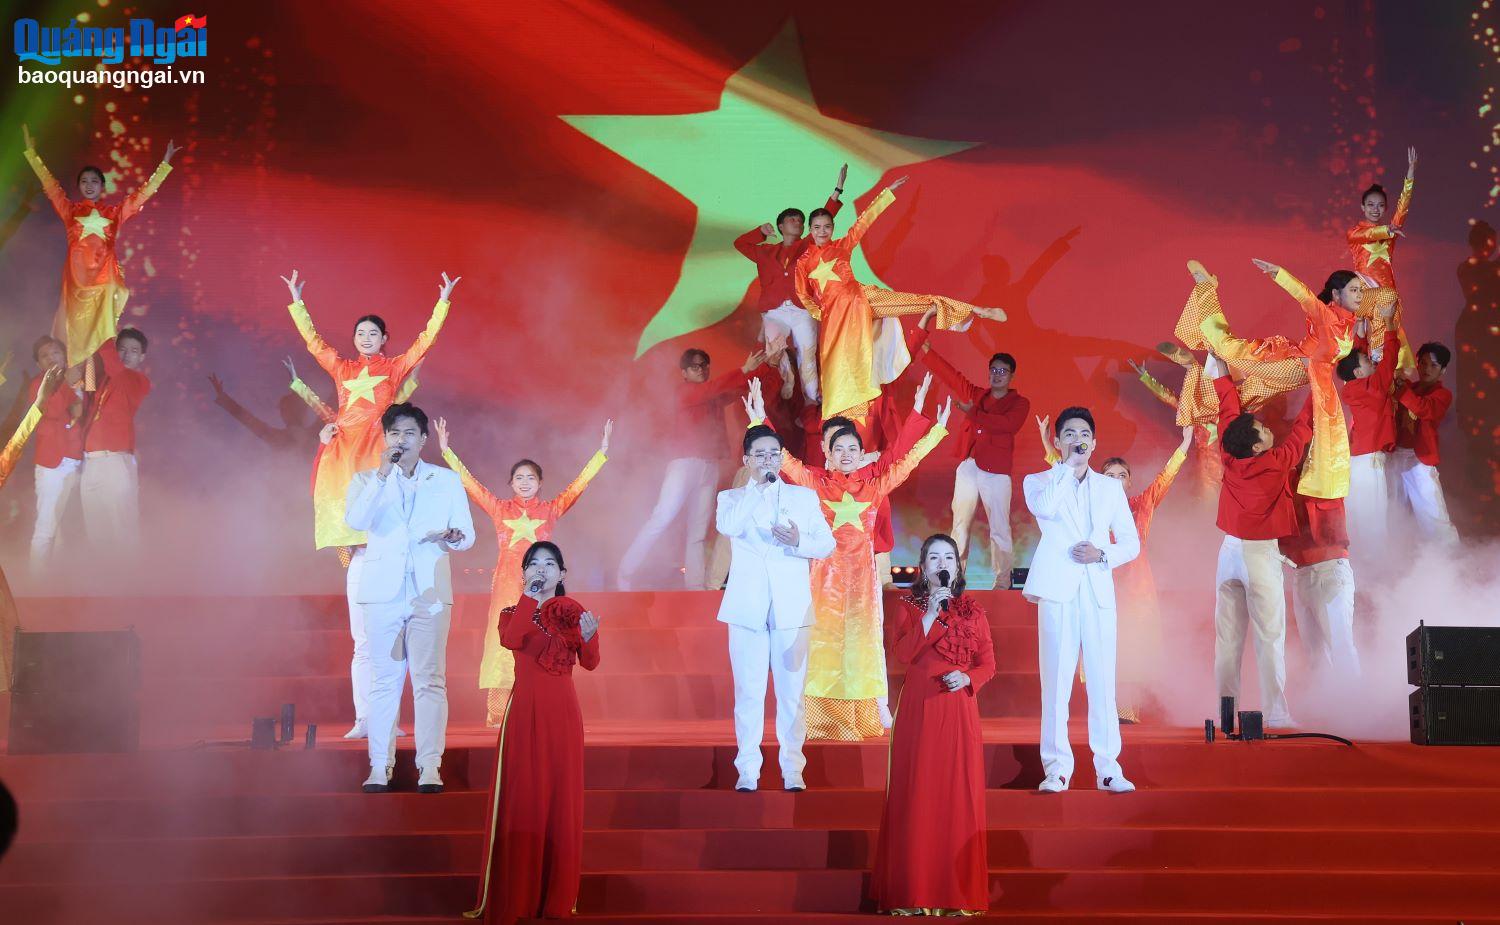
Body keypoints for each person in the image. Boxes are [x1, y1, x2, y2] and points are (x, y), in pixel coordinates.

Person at [754, 382, 953, 740]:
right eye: (838, 448)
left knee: (862, 645)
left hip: (862, 584)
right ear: (827, 455)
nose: (845, 453)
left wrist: (936, 430)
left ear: (862, 455)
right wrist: (758, 419)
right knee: (823, 643)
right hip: (823, 580)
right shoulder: (815, 483)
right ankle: (819, 719)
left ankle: (862, 717)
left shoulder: (874, 486)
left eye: (852, 448)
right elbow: (785, 460)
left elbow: (907, 461)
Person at [436, 417, 610, 727]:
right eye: (519, 477)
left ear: (540, 482)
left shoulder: (551, 509)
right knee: (502, 640)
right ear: (511, 483)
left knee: (546, 640)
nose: (525, 482)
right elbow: (472, 486)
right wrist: (447, 452)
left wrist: (601, 452)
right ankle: (498, 711)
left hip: (544, 589)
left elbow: (578, 487)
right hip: (506, 585)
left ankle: (542, 708)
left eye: (530, 477)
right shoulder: (500, 508)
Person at [466, 541, 600, 925]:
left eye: (550, 563)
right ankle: (517, 897)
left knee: (561, 799)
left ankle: (556, 899)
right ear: (524, 573)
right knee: (525, 797)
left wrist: (590, 637)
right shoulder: (512, 612)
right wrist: (529, 597)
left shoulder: (572, 615)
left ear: (562, 574)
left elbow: (589, 663)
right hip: (525, 713)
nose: (542, 569)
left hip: (564, 717)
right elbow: (511, 641)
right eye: (533, 564)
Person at [794, 177, 1004, 422]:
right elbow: (803, 295)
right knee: (837, 368)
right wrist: (824, 313)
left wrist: (886, 194)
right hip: (837, 318)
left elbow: (863, 222)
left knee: (916, 301)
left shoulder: (842, 246)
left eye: (827, 227)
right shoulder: (803, 262)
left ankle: (973, 310)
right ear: (810, 230)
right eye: (817, 227)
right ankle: (844, 423)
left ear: (832, 228)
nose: (822, 232)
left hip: (863, 298)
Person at [344, 403, 475, 794]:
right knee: (384, 682)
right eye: (394, 434)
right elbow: (356, 522)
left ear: (423, 439)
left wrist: (452, 536)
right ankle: (379, 766)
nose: (401, 440)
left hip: (429, 593)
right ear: (386, 439)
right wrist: (383, 476)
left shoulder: (446, 480)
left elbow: (467, 535)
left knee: (429, 681)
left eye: (408, 434)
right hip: (383, 592)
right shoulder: (367, 479)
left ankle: (430, 766)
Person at [282, 268, 457, 551]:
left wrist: (443, 302)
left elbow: (425, 341)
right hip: (344, 447)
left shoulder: (393, 367)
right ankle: (355, 562)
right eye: (360, 333)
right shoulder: (343, 368)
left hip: (378, 446)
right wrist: (297, 302)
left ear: (383, 338)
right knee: (349, 517)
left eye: (373, 333)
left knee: (382, 517)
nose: (366, 338)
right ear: (353, 338)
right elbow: (314, 343)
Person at [870, 534, 996, 916]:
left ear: (957, 566)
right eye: (934, 557)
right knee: (919, 790)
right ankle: (914, 892)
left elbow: (988, 661)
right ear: (924, 567)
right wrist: (929, 615)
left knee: (958, 792)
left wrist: (969, 678)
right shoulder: (907, 606)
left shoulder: (974, 611)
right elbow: (903, 653)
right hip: (921, 707)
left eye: (949, 557)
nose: (942, 563)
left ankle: (956, 894)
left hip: (958, 708)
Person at [1023, 407, 1140, 794]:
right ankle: (1056, 768)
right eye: (1069, 433)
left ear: (1095, 440)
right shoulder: (1038, 481)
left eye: (1085, 433)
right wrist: (1063, 468)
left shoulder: (1110, 488)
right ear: (1057, 441)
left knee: (1103, 683)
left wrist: (1101, 553)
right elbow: (1045, 509)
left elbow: (1130, 542)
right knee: (1055, 684)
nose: (1078, 438)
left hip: (1097, 593)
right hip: (1058, 592)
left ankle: (1108, 768)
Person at [715, 424, 835, 792]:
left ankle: (792, 767)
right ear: (748, 459)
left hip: (791, 607)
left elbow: (826, 545)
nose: (768, 461)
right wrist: (758, 490)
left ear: (782, 458)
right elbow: (729, 526)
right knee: (749, 692)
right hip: (747, 607)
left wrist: (799, 541)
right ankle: (747, 769)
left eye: (774, 455)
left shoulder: (803, 497)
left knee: (791, 693)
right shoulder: (731, 499)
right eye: (761, 455)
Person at [1207, 351, 1315, 728]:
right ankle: (1278, 713)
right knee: (1269, 637)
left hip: (1228, 554)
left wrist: (1221, 376)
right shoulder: (1277, 460)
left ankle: (1225, 716)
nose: (1269, 428)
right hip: (1259, 557)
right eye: (1263, 430)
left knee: (1228, 640)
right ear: (1256, 446)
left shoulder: (1227, 452)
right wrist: (1319, 383)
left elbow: (1227, 414)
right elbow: (1304, 428)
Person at [22, 124, 179, 371]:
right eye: (84, 181)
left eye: (94, 181)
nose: (89, 185)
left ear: (102, 186)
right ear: (79, 186)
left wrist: (165, 165)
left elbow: (141, 196)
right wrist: (32, 154)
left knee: (104, 331)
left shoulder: (114, 213)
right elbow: (51, 186)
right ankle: (74, 383)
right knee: (74, 336)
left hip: (105, 280)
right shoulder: (70, 210)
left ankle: (100, 376)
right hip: (76, 283)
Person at [618, 346, 764, 590]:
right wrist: (742, 370)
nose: (702, 370)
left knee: (698, 529)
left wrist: (762, 367)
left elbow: (733, 390)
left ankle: (695, 587)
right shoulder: (684, 391)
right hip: (684, 464)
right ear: (684, 372)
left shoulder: (710, 393)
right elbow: (714, 388)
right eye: (696, 366)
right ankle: (625, 571)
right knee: (662, 517)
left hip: (709, 465)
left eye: (705, 366)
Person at [910, 306, 1029, 586]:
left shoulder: (1019, 403)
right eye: (993, 370)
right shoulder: (977, 395)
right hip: (969, 466)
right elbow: (952, 376)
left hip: (996, 472)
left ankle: (1002, 579)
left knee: (999, 528)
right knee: (959, 523)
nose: (997, 375)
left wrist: (972, 413)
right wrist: (926, 351)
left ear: (1011, 376)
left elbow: (1006, 425)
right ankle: (952, 578)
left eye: (1003, 371)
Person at [734, 164, 846, 401]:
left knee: (807, 355)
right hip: (774, 312)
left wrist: (837, 190)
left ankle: (813, 400)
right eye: (792, 219)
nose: (798, 221)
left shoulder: (806, 245)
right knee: (774, 352)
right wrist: (760, 232)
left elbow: (824, 219)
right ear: (781, 226)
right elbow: (740, 244)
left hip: (800, 309)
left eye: (800, 220)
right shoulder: (764, 252)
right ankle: (788, 379)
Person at [1337, 302, 1400, 569]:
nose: (1372, 361)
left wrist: (1361, 335)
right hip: (1368, 462)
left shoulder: (1357, 385)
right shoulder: (1369, 387)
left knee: (1366, 516)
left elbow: (1363, 363)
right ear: (1359, 372)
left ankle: (1365, 567)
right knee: (1374, 516)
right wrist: (1388, 324)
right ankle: (1376, 569)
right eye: (1367, 361)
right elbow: (1388, 363)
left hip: (1362, 460)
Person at [1281, 466, 1359, 677]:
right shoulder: (1285, 473)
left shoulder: (1328, 468)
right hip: (1302, 572)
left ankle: (1357, 706)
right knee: (1317, 660)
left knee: (1340, 651)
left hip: (1330, 568)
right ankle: (1329, 707)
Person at [1347, 147, 1417, 368]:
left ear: (1385, 208)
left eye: (1380, 205)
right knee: (1367, 345)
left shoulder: (1390, 232)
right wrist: (1387, 230)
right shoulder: (1355, 232)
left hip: (1388, 295)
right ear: (1362, 207)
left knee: (1390, 345)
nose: (1375, 209)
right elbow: (1369, 233)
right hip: (1365, 294)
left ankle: (1385, 378)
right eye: (1370, 205)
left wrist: (1410, 175)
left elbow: (1402, 210)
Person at [80, 329, 151, 551]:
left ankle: (130, 581)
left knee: (124, 531)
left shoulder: (136, 380)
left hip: (116, 462)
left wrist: (103, 326)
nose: (126, 354)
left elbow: (109, 359)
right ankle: (104, 581)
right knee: (96, 533)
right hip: (91, 462)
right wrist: (89, 353)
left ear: (142, 357)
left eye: (134, 351)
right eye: (121, 349)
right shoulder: (104, 382)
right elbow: (88, 386)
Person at [26, 336, 86, 573]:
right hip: (52, 463)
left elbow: (84, 414)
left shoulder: (77, 381)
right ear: (39, 364)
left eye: (56, 352)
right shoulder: (38, 385)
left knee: (67, 527)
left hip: (77, 460)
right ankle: (36, 585)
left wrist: (74, 385)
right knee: (46, 526)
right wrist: (66, 385)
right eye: (45, 355)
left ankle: (60, 582)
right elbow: (51, 411)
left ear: (65, 355)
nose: (52, 358)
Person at [1391, 342, 1460, 544]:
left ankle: (1451, 560)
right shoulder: (1408, 388)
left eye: (1434, 365)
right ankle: (1396, 556)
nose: (1426, 369)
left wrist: (1401, 387)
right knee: (1394, 508)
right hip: (1395, 454)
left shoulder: (1442, 394)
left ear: (1443, 370)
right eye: (1423, 363)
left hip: (1419, 459)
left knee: (1432, 513)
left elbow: (1424, 409)